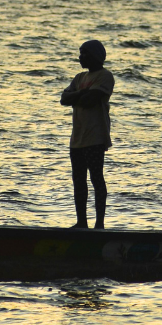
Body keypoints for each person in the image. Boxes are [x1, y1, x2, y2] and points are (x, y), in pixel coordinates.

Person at [61, 40, 114, 229]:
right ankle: (81, 222)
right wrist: (80, 93)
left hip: (95, 137)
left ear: (95, 55)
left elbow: (91, 100)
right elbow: (63, 99)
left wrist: (77, 95)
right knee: (78, 180)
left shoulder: (105, 76)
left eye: (84, 53)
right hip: (77, 139)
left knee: (96, 179)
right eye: (80, 53)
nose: (80, 57)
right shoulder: (79, 77)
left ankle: (99, 223)